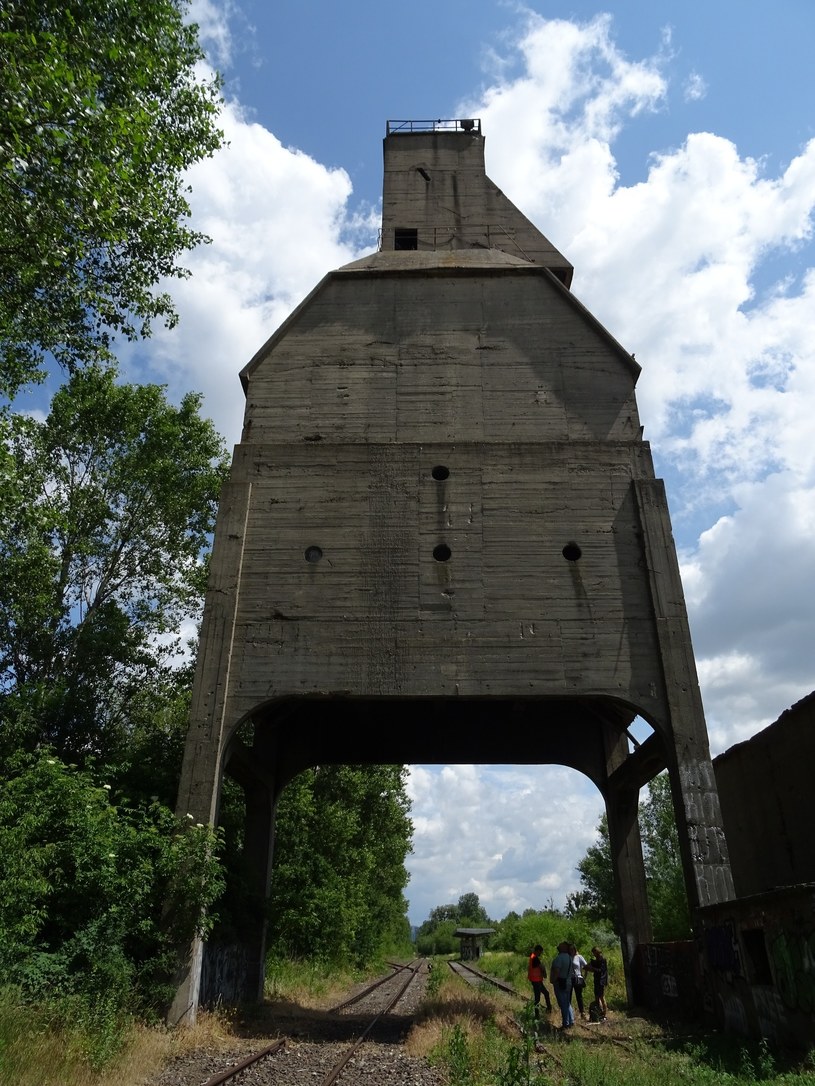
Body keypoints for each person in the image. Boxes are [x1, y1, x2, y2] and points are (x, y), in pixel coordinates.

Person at [549, 941, 574, 1028]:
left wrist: (552, 980)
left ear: (564, 948)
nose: (558, 946)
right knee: (567, 1002)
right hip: (569, 983)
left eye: (560, 945)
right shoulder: (570, 958)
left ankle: (565, 1023)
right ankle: (571, 1020)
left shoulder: (559, 958)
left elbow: (557, 971)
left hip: (560, 983)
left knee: (563, 1003)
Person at [527, 944, 552, 1018]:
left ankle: (547, 1010)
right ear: (538, 951)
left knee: (543, 995)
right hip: (536, 980)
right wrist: (544, 973)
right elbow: (541, 967)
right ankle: (538, 1015)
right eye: (540, 952)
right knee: (538, 998)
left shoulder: (532, 956)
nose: (540, 954)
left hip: (535, 980)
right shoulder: (535, 958)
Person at [586, 946, 608, 1020]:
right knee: (596, 997)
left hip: (601, 980)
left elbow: (601, 970)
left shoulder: (602, 960)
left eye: (594, 953)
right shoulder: (596, 960)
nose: (594, 954)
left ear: (597, 952)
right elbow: (588, 966)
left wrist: (592, 969)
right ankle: (598, 1012)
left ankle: (604, 1014)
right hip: (596, 980)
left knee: (602, 997)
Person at [569, 944, 588, 1019]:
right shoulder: (568, 957)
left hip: (577, 978)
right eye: (570, 949)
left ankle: (582, 1012)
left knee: (579, 996)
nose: (571, 951)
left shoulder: (579, 957)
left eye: (572, 949)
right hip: (570, 978)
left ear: (575, 949)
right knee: (569, 996)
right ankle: (569, 1013)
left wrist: (584, 977)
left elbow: (586, 966)